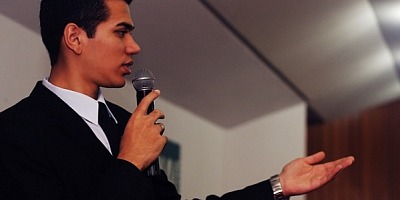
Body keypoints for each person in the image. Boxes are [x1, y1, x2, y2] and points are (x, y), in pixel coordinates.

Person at [0, 0, 355, 199]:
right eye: (121, 32)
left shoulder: (127, 123)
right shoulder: (14, 133)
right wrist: (128, 162)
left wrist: (278, 185)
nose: (134, 47)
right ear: (75, 38)